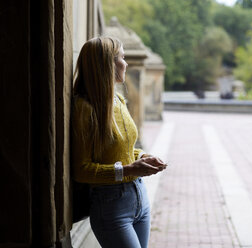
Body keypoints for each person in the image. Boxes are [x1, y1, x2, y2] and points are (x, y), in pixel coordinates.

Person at [71, 36, 167, 248]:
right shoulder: (84, 108)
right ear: (107, 63)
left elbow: (124, 149)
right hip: (111, 207)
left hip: (140, 199)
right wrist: (127, 170)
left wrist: (142, 157)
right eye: (122, 57)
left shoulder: (118, 100)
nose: (126, 63)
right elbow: (82, 170)